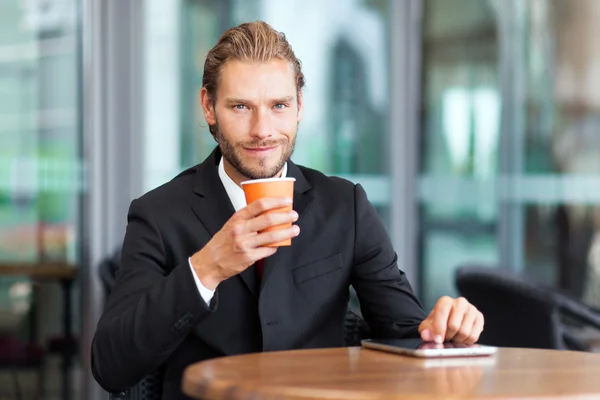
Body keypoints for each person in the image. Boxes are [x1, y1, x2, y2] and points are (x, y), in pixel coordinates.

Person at [91, 21, 484, 399]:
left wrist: (441, 329)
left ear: (299, 107)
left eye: (278, 105)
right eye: (241, 107)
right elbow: (112, 365)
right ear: (209, 107)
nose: (263, 129)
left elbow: (404, 331)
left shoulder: (345, 207)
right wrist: (207, 268)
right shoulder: (158, 214)